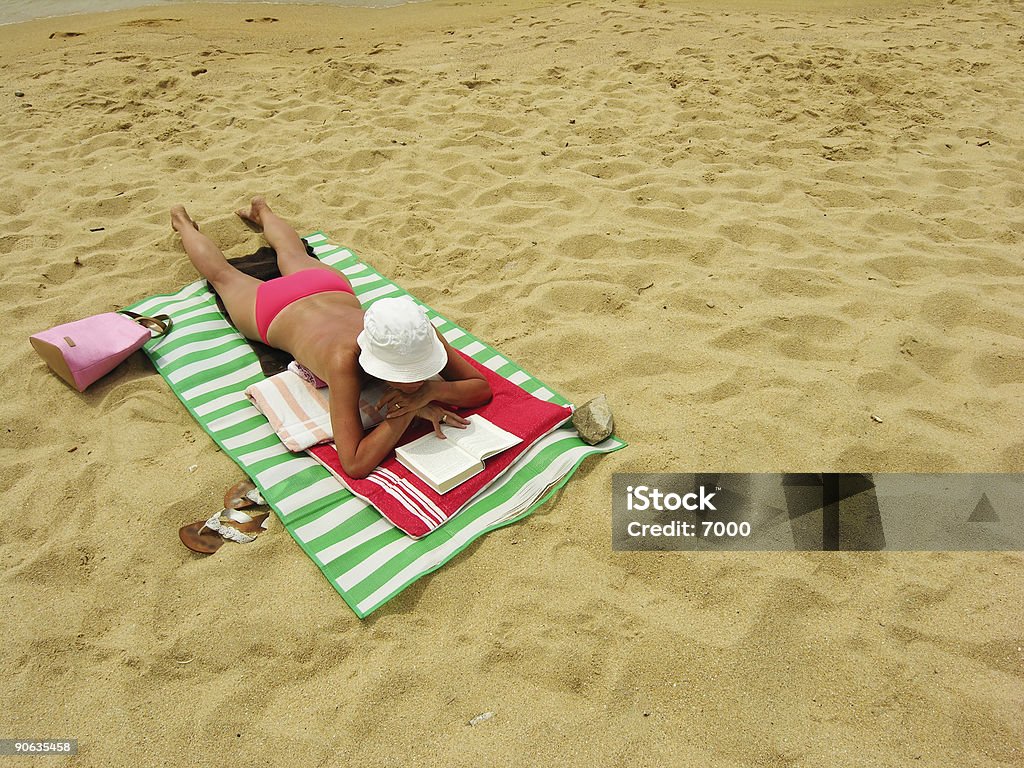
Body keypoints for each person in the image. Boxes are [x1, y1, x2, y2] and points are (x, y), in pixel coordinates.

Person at [170, 197, 492, 479]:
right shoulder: (344, 361)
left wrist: (430, 391)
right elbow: (353, 462)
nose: (417, 380)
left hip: (326, 290)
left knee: (277, 256)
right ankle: (186, 223)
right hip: (276, 310)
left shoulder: (417, 330)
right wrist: (407, 409)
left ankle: (258, 211)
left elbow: (482, 389)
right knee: (225, 275)